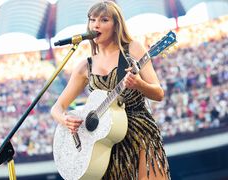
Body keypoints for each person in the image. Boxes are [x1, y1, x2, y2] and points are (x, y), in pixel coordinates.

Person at [51, 1, 171, 179]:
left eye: (104, 20)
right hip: (104, 145)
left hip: (140, 135)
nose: (96, 25)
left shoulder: (133, 49)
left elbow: (158, 93)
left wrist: (139, 84)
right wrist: (65, 119)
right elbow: (57, 108)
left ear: (116, 25)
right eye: (92, 20)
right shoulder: (85, 66)